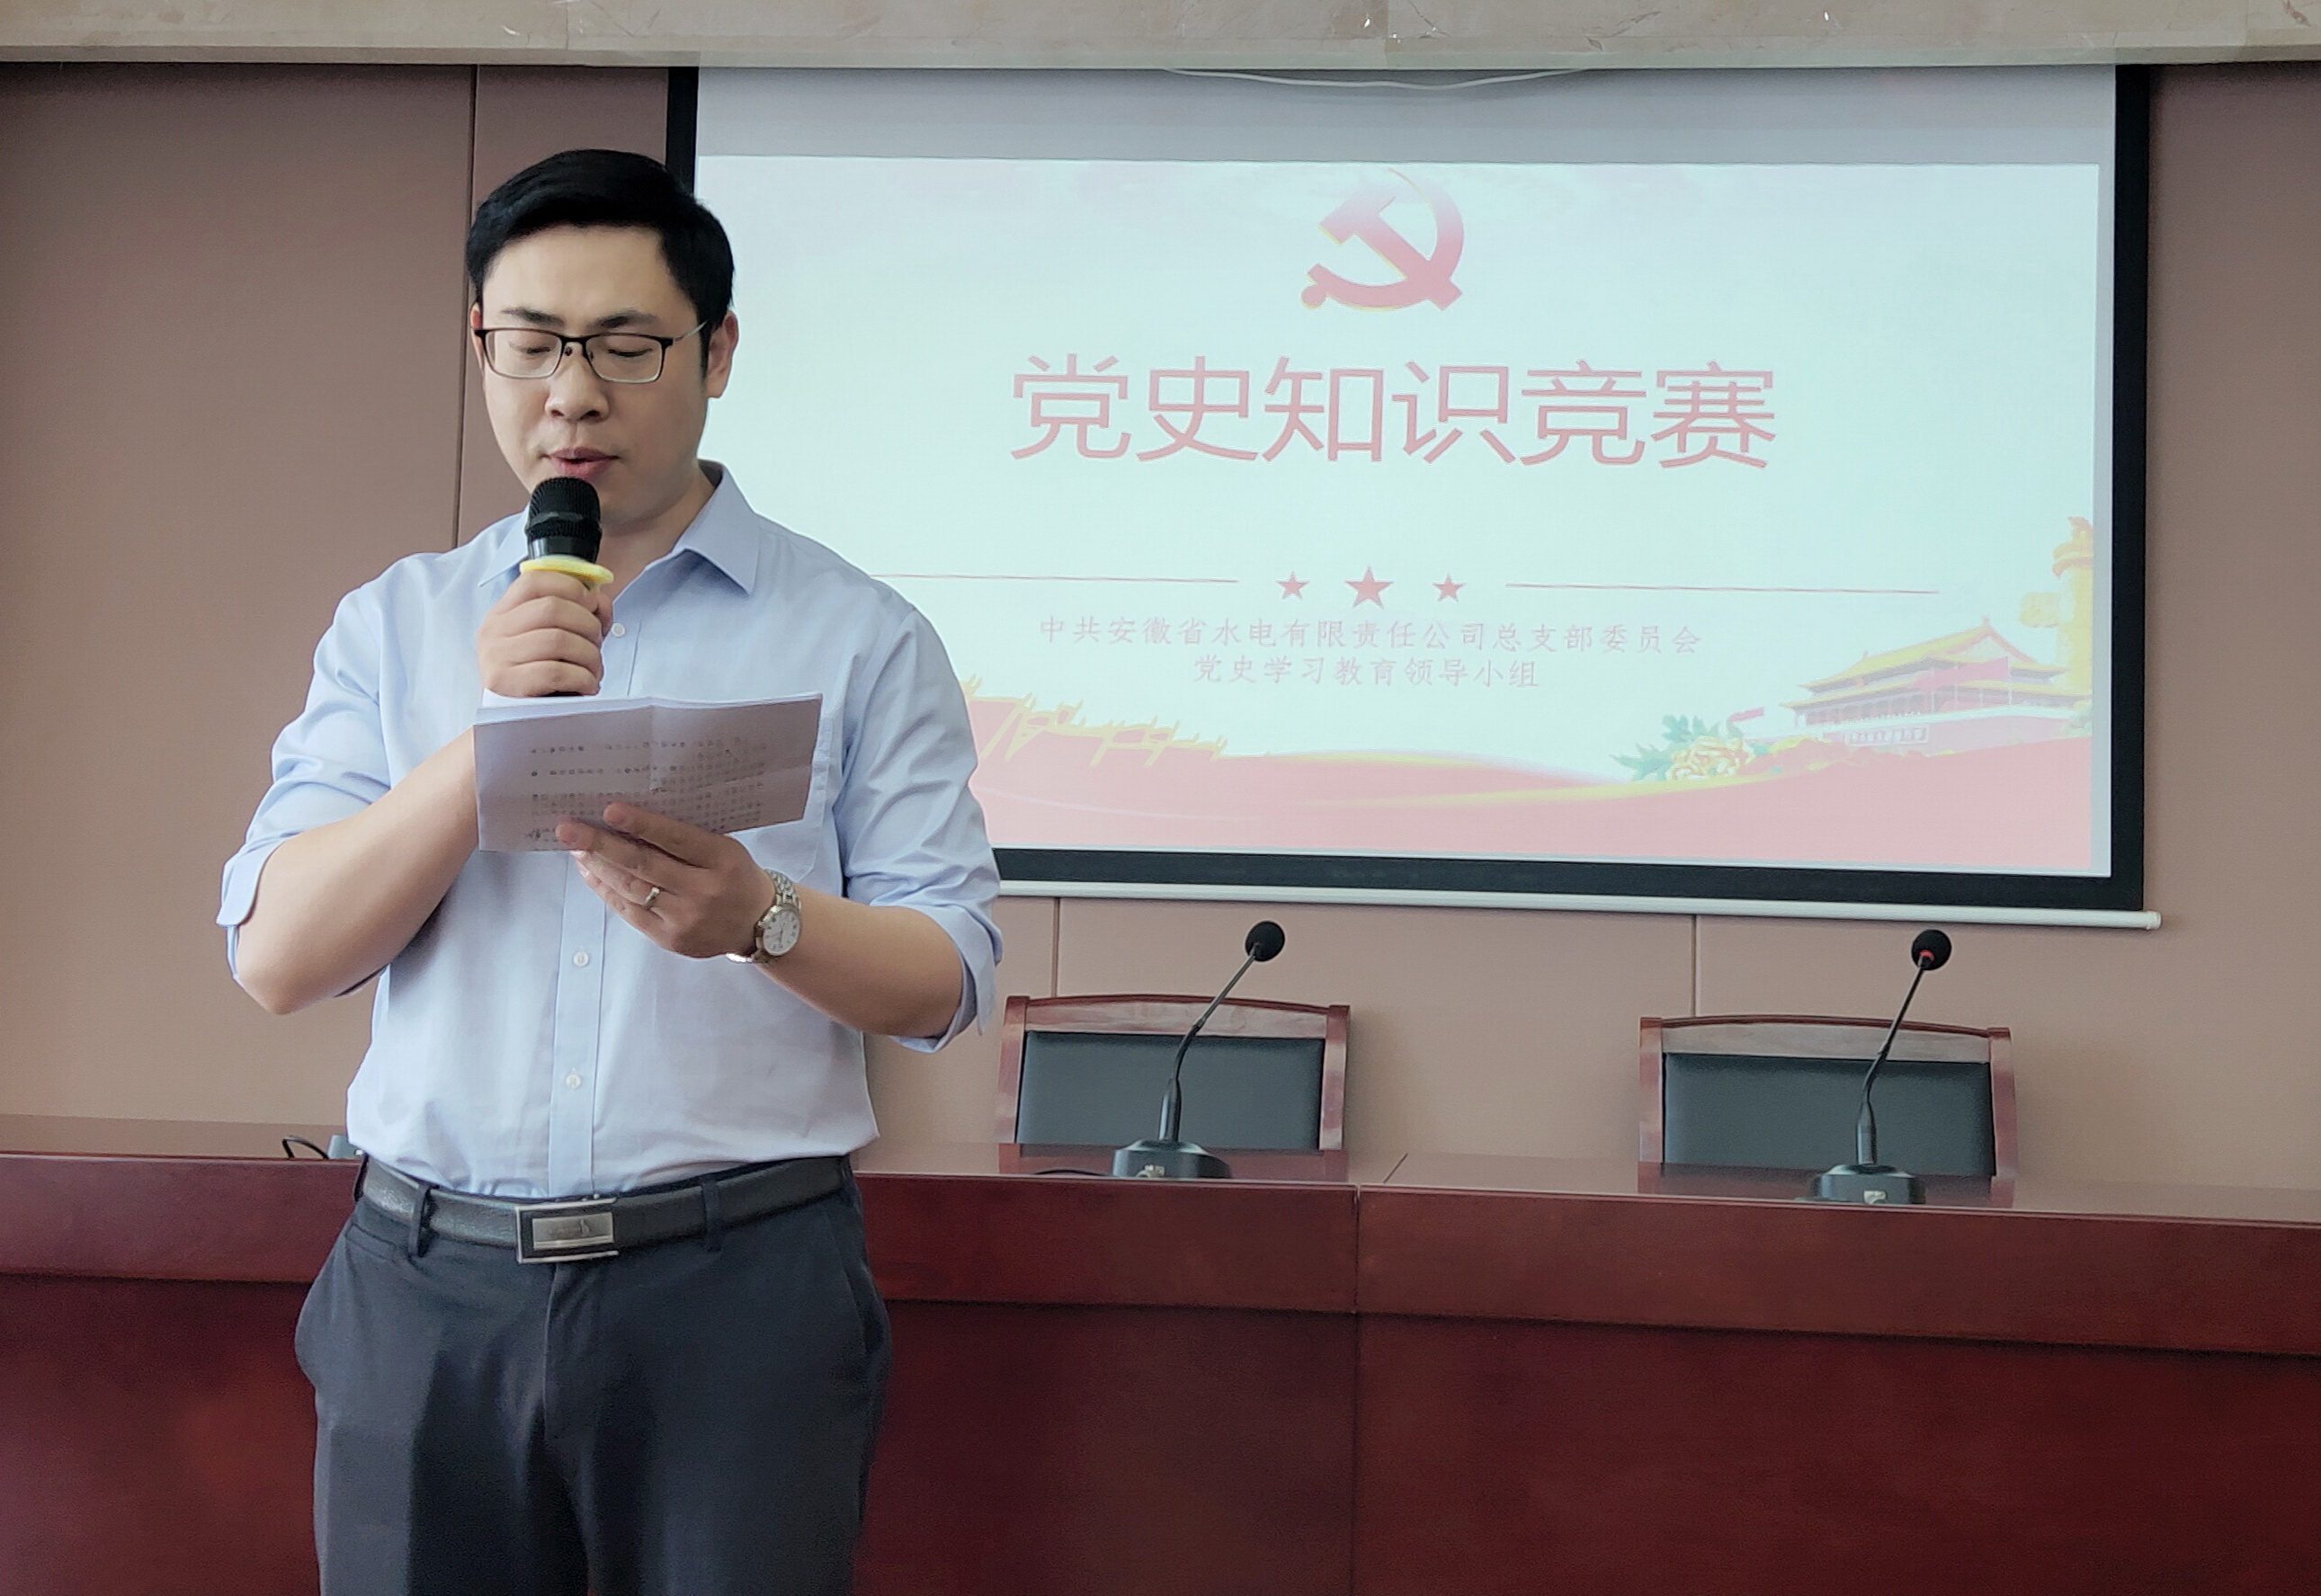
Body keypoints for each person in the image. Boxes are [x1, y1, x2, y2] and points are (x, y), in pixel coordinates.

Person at [218, 147, 1001, 1596]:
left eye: (625, 346)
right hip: (429, 1286)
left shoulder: (856, 635)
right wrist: (482, 742)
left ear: (717, 353)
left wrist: (760, 917)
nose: (570, 395)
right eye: (529, 344)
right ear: (481, 346)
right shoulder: (396, 625)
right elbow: (278, 959)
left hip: (736, 1290)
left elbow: (947, 975)